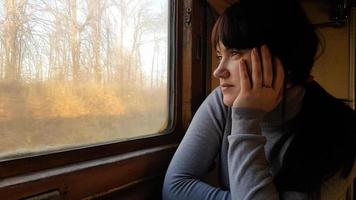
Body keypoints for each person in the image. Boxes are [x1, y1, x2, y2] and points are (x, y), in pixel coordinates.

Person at [162, 0, 356, 199]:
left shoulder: (343, 133)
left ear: (286, 64)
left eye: (235, 53)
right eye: (220, 55)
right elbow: (175, 187)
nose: (218, 71)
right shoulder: (222, 101)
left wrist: (246, 119)